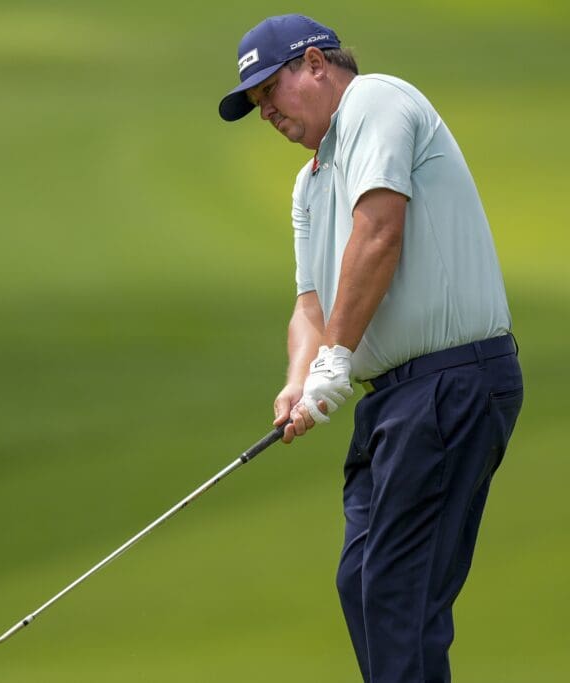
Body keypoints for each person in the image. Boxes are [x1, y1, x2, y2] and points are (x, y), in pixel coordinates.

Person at [218, 14, 523, 683]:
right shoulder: (310, 181)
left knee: (394, 589)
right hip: (397, 400)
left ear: (318, 64)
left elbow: (379, 230)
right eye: (256, 103)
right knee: (361, 580)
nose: (266, 110)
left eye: (271, 89)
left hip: (452, 380)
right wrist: (301, 377)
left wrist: (335, 359)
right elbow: (310, 305)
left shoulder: (378, 101)